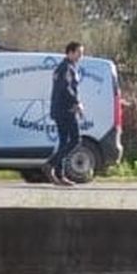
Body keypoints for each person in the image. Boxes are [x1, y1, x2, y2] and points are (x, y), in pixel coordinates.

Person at [45, 41, 85, 187]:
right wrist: (77, 103)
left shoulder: (65, 67)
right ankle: (51, 164)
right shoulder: (66, 68)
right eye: (79, 53)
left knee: (63, 142)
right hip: (65, 110)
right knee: (75, 139)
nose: (81, 56)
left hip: (61, 110)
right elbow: (67, 89)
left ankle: (60, 176)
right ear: (70, 52)